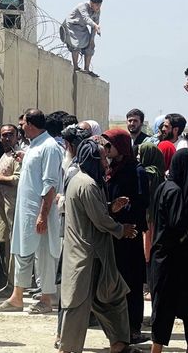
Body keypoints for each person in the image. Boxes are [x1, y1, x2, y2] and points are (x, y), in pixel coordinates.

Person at [59, 138, 137, 353]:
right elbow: (100, 221)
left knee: (113, 297)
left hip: (95, 255)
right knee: (78, 305)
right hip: (89, 256)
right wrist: (123, 230)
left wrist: (111, 207)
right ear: (93, 159)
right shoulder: (87, 184)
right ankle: (68, 348)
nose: (106, 162)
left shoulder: (84, 181)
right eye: (102, 158)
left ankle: (119, 344)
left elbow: (94, 213)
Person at [0, 109, 63, 314]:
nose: (21, 128)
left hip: (40, 212)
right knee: (22, 253)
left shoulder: (49, 146)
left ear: (30, 124)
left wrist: (43, 214)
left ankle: (46, 299)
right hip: (26, 211)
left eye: (22, 124)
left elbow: (50, 184)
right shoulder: (34, 146)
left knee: (45, 255)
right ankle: (17, 297)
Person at [149, 149, 188, 353]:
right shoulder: (174, 191)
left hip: (169, 258)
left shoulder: (165, 187)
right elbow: (177, 224)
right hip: (174, 259)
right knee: (171, 306)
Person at [101, 128, 148, 344]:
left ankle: (133, 327)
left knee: (132, 281)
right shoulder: (109, 169)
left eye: (109, 145)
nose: (105, 149)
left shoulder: (136, 170)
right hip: (114, 233)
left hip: (130, 235)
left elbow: (141, 203)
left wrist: (124, 213)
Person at [0, 124, 20, 294]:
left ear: (17, 137)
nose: (7, 138)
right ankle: (9, 283)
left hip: (12, 208)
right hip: (1, 208)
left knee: (12, 246)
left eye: (10, 135)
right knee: (4, 246)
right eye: (4, 135)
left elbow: (18, 178)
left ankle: (15, 285)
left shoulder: (18, 156)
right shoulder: (4, 155)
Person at [61, 0, 103, 75]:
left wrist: (92, 40)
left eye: (100, 5)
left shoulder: (97, 12)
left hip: (82, 27)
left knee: (90, 46)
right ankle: (76, 67)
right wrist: (95, 25)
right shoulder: (83, 6)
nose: (98, 7)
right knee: (76, 44)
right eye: (97, 5)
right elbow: (86, 18)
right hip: (71, 25)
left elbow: (95, 26)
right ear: (91, 3)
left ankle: (86, 69)